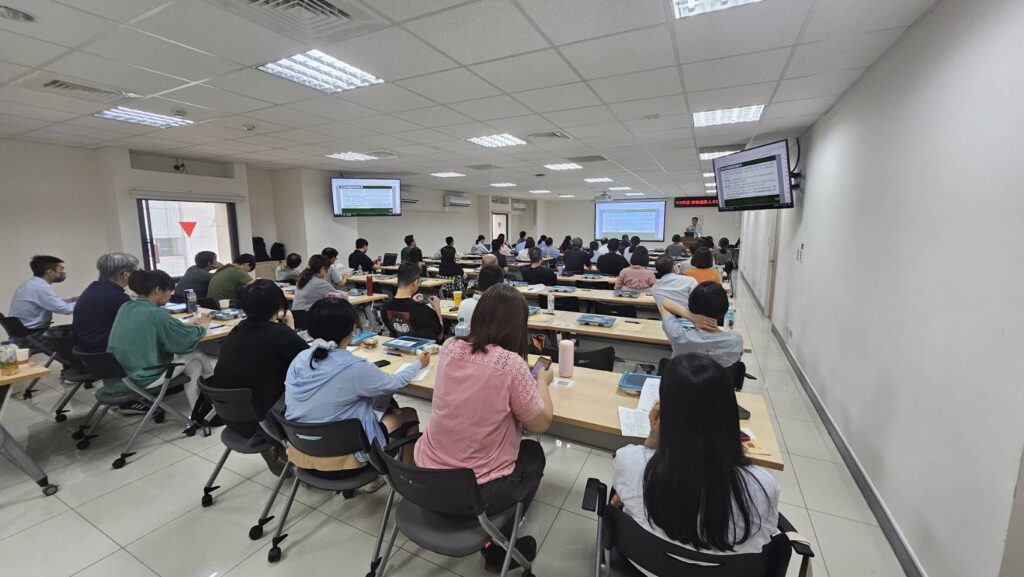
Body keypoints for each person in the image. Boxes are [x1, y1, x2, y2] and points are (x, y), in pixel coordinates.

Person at [415, 284, 553, 570]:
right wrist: (542, 382)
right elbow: (541, 422)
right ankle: (499, 545)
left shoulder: (450, 346)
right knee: (533, 454)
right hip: (473, 493)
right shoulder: (511, 364)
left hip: (426, 477)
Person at [612, 354, 778, 574]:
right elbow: (766, 537)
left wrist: (651, 443)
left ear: (666, 416)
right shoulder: (763, 487)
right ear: (729, 415)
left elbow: (624, 489)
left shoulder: (632, 463)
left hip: (646, 568)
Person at [285, 297, 425, 478]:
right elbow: (395, 382)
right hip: (347, 460)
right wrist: (418, 363)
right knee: (407, 414)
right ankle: (408, 479)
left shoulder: (301, 358)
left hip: (302, 451)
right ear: (352, 329)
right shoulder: (355, 367)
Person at [211, 280, 307, 475]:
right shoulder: (280, 333)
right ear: (279, 307)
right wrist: (290, 326)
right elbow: (313, 365)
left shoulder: (237, 331)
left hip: (232, 417)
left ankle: (276, 450)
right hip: (265, 420)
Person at [105, 269, 214, 410]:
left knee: (195, 366)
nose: (170, 295)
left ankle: (201, 410)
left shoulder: (126, 307)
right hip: (141, 377)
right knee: (195, 353)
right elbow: (182, 343)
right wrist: (202, 327)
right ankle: (214, 388)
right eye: (169, 291)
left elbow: (159, 328)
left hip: (118, 376)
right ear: (157, 290)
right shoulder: (155, 313)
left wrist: (187, 325)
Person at [660, 282, 741, 366]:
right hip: (718, 379)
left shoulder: (679, 336)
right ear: (725, 309)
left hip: (682, 378)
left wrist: (691, 316)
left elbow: (664, 303)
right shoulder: (736, 340)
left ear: (691, 307)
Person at [72, 253, 138, 354]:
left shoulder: (94, 288)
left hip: (87, 352)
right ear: (126, 275)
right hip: (104, 353)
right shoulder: (116, 297)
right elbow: (142, 321)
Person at [9, 255, 76, 330]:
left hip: (23, 333)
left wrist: (71, 300)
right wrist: (86, 302)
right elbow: (65, 309)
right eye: (61, 268)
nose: (62, 272)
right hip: (33, 335)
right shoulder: (40, 287)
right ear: (50, 272)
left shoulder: (32, 283)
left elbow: (51, 302)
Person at [380, 262, 443, 341]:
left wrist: (412, 301)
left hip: (399, 347)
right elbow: (440, 336)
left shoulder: (384, 308)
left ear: (397, 281)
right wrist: (437, 308)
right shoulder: (424, 311)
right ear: (415, 283)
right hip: (423, 351)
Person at [457, 264, 503, 330]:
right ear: (500, 284)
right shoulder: (503, 306)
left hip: (466, 339)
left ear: (478, 282)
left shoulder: (464, 304)